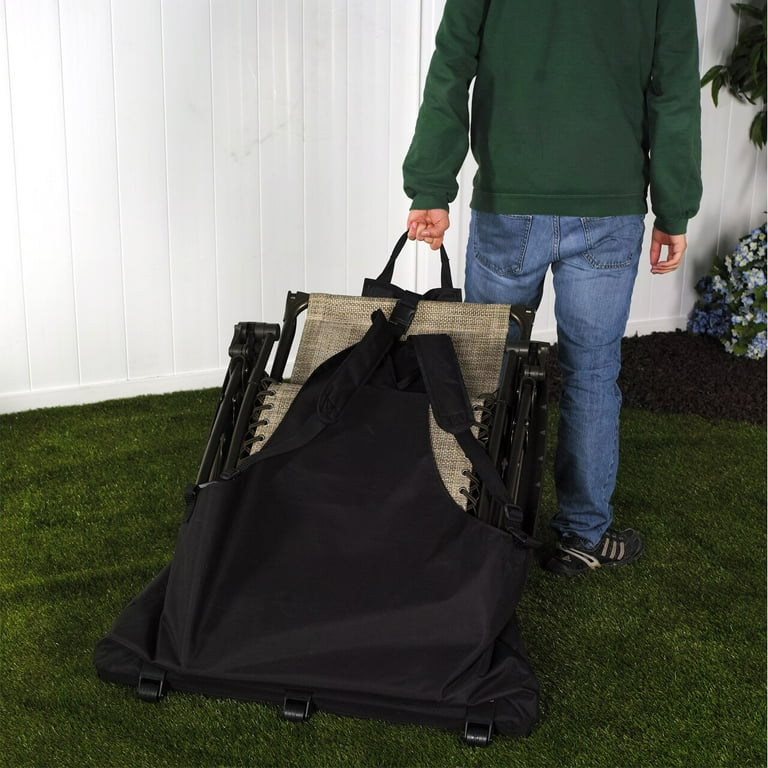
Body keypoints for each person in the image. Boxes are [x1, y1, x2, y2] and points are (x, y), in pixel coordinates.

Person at [403, 0, 702, 576]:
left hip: (509, 203)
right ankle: (582, 538)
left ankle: (472, 521)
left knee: (483, 369)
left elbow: (452, 65)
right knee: (592, 372)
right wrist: (674, 208)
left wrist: (432, 185)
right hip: (609, 207)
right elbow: (674, 91)